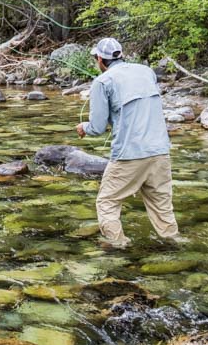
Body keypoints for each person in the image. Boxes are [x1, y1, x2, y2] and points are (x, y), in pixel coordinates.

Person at [74, 37, 182, 248]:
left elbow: (97, 127)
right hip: (160, 152)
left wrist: (83, 127)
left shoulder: (102, 82)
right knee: (162, 206)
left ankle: (119, 247)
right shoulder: (146, 72)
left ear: (100, 60)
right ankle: (176, 244)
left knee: (107, 202)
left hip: (128, 155)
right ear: (121, 55)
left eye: (96, 58)